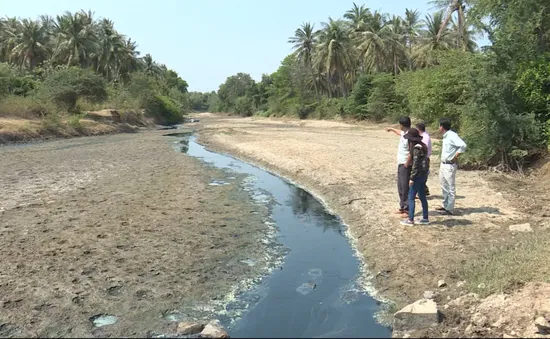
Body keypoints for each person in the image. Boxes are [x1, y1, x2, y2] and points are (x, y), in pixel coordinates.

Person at [437, 117, 467, 216]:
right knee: (443, 184)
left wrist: (456, 156)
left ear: (442, 127)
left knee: (450, 186)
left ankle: (450, 208)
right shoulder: (445, 136)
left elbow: (463, 145)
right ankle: (445, 205)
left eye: (439, 126)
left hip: (449, 165)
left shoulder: (452, 135)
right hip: (443, 164)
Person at [400, 128, 430, 226]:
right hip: (423, 175)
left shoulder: (416, 149)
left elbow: (416, 165)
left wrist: (412, 178)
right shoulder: (423, 146)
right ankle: (425, 218)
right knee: (422, 196)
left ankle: (410, 219)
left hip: (417, 176)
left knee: (411, 197)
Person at [385, 116, 411, 217]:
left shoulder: (410, 136)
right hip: (401, 163)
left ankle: (407, 209)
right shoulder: (404, 133)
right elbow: (399, 132)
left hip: (405, 164)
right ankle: (402, 207)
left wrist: (406, 164)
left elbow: (411, 152)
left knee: (405, 187)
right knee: (400, 186)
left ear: (401, 125)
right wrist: (391, 129)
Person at [416, 122, 432, 196]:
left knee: (422, 174)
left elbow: (423, 148)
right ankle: (422, 190)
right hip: (423, 158)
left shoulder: (425, 137)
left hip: (424, 158)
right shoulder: (422, 136)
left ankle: (423, 191)